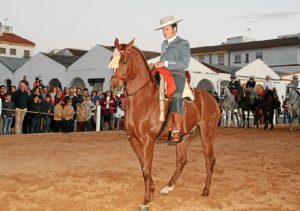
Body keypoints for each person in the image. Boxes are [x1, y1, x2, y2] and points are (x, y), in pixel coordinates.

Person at [149, 15, 190, 142]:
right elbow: (162, 61)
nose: (164, 32)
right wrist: (155, 64)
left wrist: (165, 63)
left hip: (177, 73)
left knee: (176, 94)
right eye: (163, 30)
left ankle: (177, 128)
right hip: (162, 72)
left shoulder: (183, 43)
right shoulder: (164, 44)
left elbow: (184, 63)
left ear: (174, 29)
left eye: (166, 29)